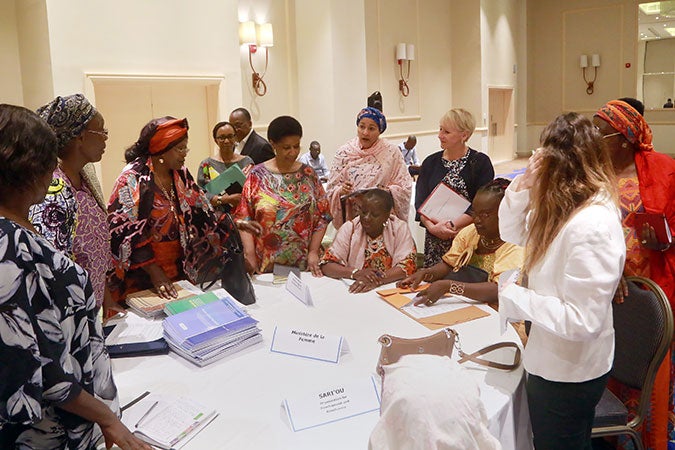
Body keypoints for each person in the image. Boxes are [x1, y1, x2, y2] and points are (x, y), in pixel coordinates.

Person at [0, 104, 151, 450]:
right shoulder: (12, 247)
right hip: (48, 431)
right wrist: (107, 418)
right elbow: (41, 368)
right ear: (33, 165)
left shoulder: (17, 234)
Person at [498, 112, 625, 449]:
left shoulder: (591, 225)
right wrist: (523, 185)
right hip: (550, 356)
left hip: (569, 371)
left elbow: (581, 320)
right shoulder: (564, 206)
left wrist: (517, 296)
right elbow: (510, 231)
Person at [594, 99, 675, 450]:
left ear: (624, 138)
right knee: (609, 370)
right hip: (606, 291)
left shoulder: (663, 169)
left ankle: (651, 440)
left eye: (601, 134)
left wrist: (664, 237)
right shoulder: (593, 174)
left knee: (650, 377)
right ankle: (612, 437)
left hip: (653, 288)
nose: (594, 140)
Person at [108, 117, 259, 304]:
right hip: (142, 276)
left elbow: (203, 212)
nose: (185, 154)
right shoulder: (133, 179)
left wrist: (235, 226)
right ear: (161, 149)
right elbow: (124, 231)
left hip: (180, 272)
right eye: (180, 148)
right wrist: (155, 272)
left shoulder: (180, 174)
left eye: (185, 148)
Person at [28, 94, 120, 318]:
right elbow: (53, 270)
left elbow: (94, 253)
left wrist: (107, 301)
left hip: (93, 310)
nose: (106, 138)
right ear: (80, 136)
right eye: (101, 132)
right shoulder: (54, 190)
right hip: (69, 316)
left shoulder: (86, 181)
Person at [399, 178, 523, 306]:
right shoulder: (471, 232)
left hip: (497, 313)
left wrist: (450, 286)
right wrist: (425, 273)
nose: (476, 220)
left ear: (506, 213)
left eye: (485, 215)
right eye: (475, 212)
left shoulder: (516, 246)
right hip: (465, 305)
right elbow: (449, 265)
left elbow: (499, 289)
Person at [235, 115, 332, 275]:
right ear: (273, 144)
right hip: (266, 264)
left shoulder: (308, 174)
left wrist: (314, 251)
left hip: (303, 263)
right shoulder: (257, 176)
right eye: (286, 148)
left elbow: (323, 215)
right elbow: (245, 219)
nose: (292, 152)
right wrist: (250, 255)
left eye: (296, 146)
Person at [416, 108, 494, 267]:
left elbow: (482, 203)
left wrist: (453, 226)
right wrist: (433, 228)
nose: (440, 135)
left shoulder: (480, 163)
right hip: (434, 239)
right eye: (440, 129)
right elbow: (420, 201)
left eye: (446, 132)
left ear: (464, 135)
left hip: (467, 238)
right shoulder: (430, 163)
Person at [326, 107, 412, 229]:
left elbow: (405, 187)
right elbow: (330, 190)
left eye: (371, 128)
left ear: (380, 131)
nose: (365, 132)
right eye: (361, 127)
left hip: (382, 220)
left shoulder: (391, 153)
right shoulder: (344, 153)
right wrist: (341, 191)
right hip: (353, 221)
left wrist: (386, 191)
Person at [320, 188, 417, 293]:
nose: (366, 218)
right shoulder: (350, 228)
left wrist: (376, 280)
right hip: (355, 291)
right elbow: (327, 265)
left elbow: (408, 265)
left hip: (389, 291)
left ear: (387, 215)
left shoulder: (399, 228)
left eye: (374, 215)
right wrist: (355, 273)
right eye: (363, 212)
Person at [197, 120, 254, 215]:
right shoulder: (206, 165)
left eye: (230, 136)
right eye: (222, 138)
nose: (226, 141)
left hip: (245, 217)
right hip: (217, 221)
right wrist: (226, 199)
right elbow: (200, 197)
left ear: (235, 138)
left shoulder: (247, 162)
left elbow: (256, 191)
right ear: (215, 140)